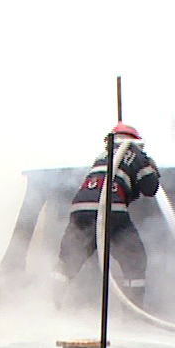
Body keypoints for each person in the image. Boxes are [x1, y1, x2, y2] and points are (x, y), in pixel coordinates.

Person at [56, 123, 161, 299]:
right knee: (134, 259)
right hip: (111, 208)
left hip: (80, 209)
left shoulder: (102, 156)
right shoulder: (135, 153)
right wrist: (152, 168)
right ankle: (132, 312)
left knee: (69, 259)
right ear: (136, 141)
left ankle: (50, 304)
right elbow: (150, 188)